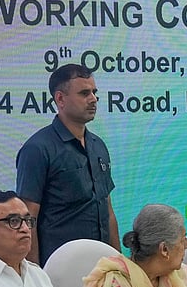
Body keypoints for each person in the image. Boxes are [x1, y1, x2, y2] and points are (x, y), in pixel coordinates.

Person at [16, 63, 118, 266]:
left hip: (101, 265)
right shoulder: (38, 149)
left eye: (94, 92)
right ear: (60, 99)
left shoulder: (98, 145)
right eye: (84, 93)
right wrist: (35, 273)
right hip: (60, 267)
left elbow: (107, 210)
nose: (93, 99)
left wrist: (119, 262)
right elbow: (28, 218)